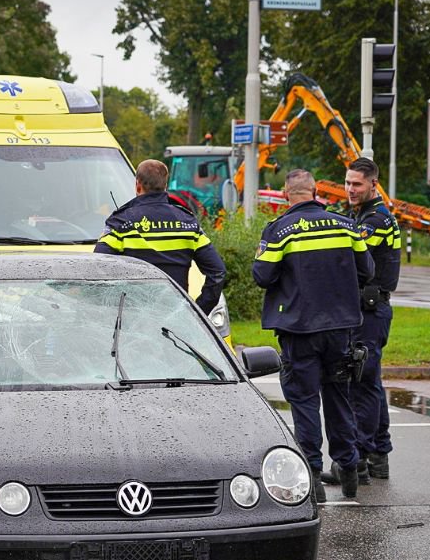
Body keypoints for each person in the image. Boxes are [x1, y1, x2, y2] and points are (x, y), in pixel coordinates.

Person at [253, 169, 374, 500]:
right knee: (338, 397)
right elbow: (368, 270)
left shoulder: (280, 230)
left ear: (286, 194)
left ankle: (314, 478)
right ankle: (348, 469)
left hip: (300, 329)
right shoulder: (346, 226)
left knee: (305, 400)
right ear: (316, 191)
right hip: (340, 328)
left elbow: (262, 275)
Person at [95, 158, 226, 314]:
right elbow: (217, 272)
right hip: (177, 318)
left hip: (134, 318)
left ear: (138, 185)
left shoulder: (121, 222)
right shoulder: (188, 222)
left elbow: (97, 267)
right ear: (165, 186)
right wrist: (197, 313)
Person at [344, 156, 401, 484]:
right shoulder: (362, 214)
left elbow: (352, 256)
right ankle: (379, 455)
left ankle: (359, 459)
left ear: (373, 185)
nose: (350, 189)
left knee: (362, 384)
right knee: (370, 384)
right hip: (368, 310)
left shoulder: (375, 219)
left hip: (370, 312)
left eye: (357, 184)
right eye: (348, 182)